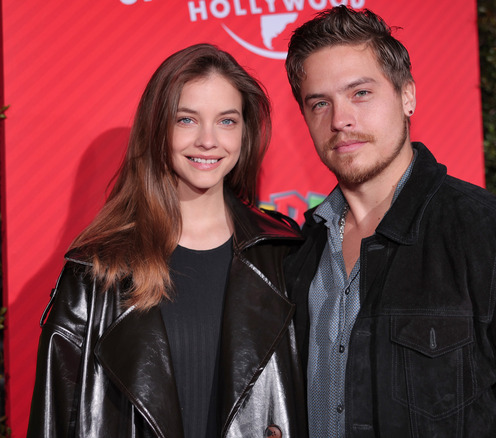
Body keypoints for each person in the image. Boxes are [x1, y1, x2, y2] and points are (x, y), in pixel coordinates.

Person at [283, 6, 496, 437]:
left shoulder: (495, 236)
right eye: (320, 103)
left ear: (407, 96)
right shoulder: (300, 254)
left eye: (360, 93)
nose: (340, 120)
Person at [27, 43, 306, 438]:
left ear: (246, 132)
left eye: (227, 121)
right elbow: (53, 421)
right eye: (187, 120)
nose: (208, 141)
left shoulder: (284, 254)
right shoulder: (95, 273)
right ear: (157, 128)